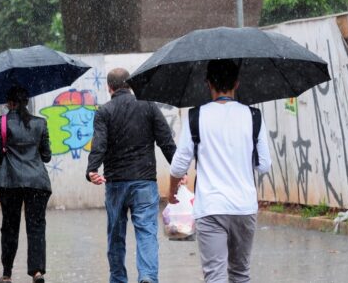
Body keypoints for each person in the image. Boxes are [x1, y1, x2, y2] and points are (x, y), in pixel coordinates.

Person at [168, 59, 271, 283]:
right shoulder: (254, 116)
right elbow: (264, 164)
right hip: (244, 207)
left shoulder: (195, 117)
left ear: (208, 84)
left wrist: (172, 191)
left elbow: (178, 165)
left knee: (215, 276)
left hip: (211, 208)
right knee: (240, 274)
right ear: (237, 83)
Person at [86, 68, 176, 283]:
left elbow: (99, 144)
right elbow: (166, 141)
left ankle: (118, 278)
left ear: (110, 88)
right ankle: (147, 276)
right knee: (146, 232)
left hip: (115, 183)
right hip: (144, 182)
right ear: (130, 85)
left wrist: (92, 170)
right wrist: (178, 170)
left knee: (116, 235)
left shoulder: (104, 112)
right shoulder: (148, 106)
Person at [0, 86, 52, 283]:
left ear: (10, 103)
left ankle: (7, 273)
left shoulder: (1, 123)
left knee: (9, 227)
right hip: (37, 182)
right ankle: (37, 272)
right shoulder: (40, 123)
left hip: (9, 182)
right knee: (36, 227)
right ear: (26, 102)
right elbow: (47, 156)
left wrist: (9, 149)